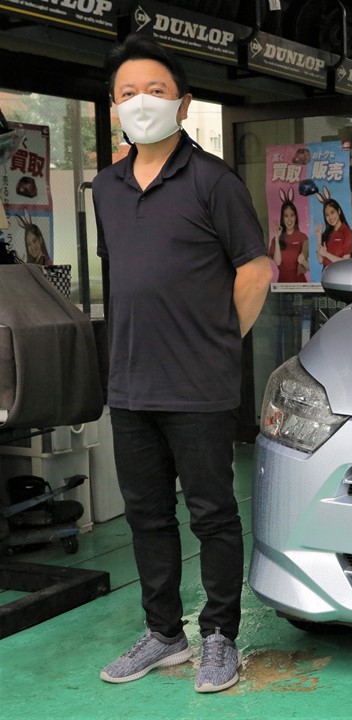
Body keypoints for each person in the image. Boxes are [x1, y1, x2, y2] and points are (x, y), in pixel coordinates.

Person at [92, 34, 272, 694]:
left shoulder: (212, 181)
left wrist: (218, 341)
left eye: (156, 90)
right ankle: (165, 634)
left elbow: (256, 269)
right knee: (146, 515)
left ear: (184, 103)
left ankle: (220, 635)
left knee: (212, 514)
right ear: (114, 107)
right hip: (131, 383)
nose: (142, 102)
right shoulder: (106, 186)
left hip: (199, 386)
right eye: (128, 93)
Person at [268, 193, 309, 282]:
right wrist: (277, 239)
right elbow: (278, 262)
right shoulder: (276, 239)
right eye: (286, 216)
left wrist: (303, 262)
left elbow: (311, 267)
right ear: (282, 218)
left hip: (300, 284)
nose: (289, 220)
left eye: (292, 215)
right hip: (283, 284)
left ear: (296, 217)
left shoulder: (303, 238)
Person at [315, 198, 352, 267]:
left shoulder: (347, 233)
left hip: (339, 273)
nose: (330, 217)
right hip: (325, 273)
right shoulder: (328, 233)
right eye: (327, 215)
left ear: (339, 211)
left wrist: (326, 254)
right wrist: (319, 236)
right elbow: (320, 260)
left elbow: (345, 262)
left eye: (332, 212)